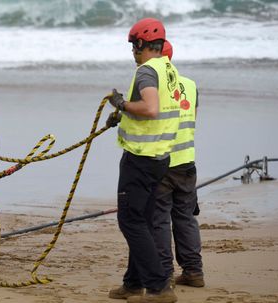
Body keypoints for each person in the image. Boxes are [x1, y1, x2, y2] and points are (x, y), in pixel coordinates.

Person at [106, 18, 181, 303]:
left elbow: (150, 108)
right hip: (160, 157)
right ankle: (133, 283)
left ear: (140, 44)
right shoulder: (168, 69)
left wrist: (122, 104)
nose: (132, 52)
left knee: (130, 221)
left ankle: (159, 287)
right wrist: (124, 113)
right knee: (144, 220)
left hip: (141, 159)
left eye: (132, 46)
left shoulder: (147, 72)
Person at [152, 40, 204, 288]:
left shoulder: (153, 87)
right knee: (185, 218)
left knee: (159, 220)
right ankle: (194, 272)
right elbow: (192, 118)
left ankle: (164, 275)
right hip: (187, 162)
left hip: (162, 163)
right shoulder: (191, 86)